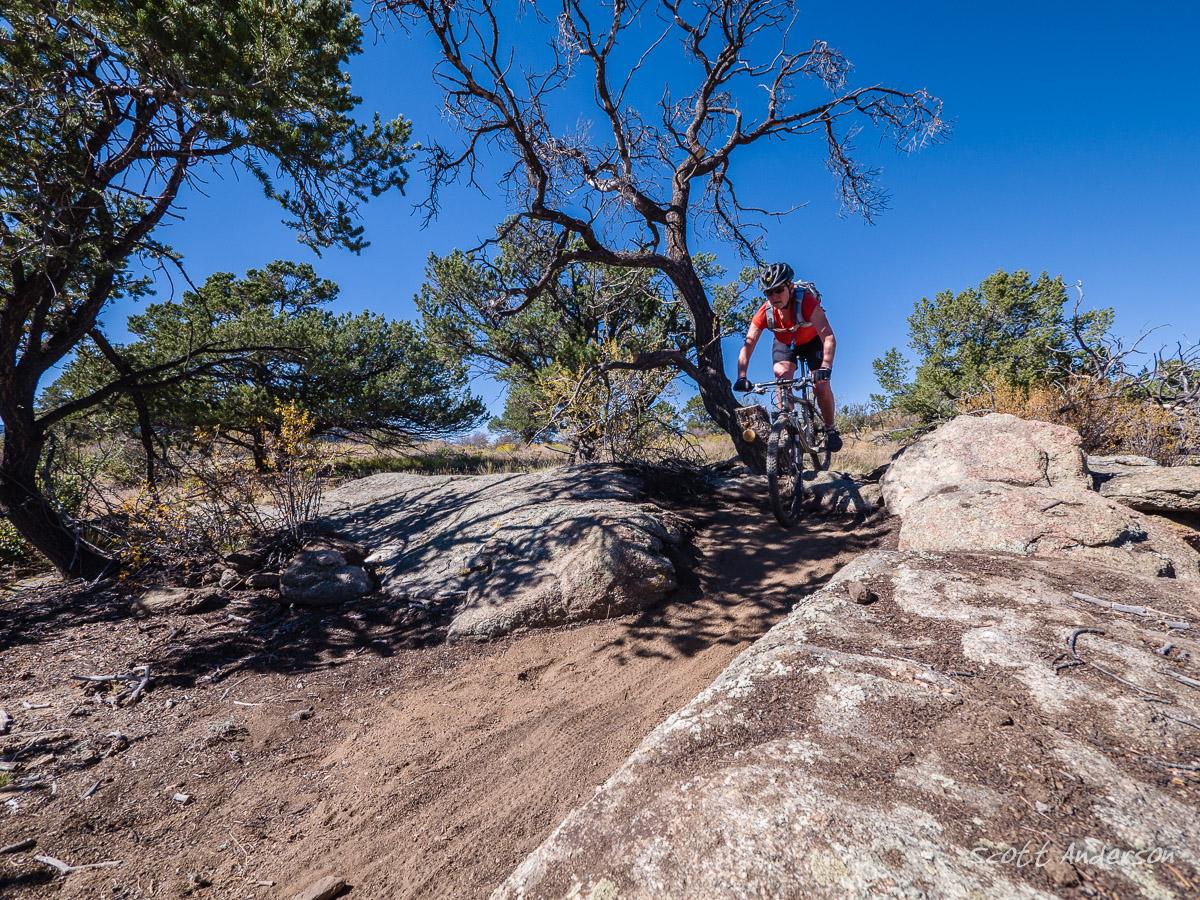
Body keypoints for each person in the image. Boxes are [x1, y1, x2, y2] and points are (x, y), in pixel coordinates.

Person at [733, 262, 843, 453]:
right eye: (769, 293)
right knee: (782, 378)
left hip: (812, 342)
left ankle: (830, 429)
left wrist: (826, 366)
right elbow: (748, 345)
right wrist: (742, 376)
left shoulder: (807, 302)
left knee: (821, 386)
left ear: (790, 287)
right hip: (785, 344)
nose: (774, 296)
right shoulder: (764, 313)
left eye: (778, 290)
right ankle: (787, 425)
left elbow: (828, 337)